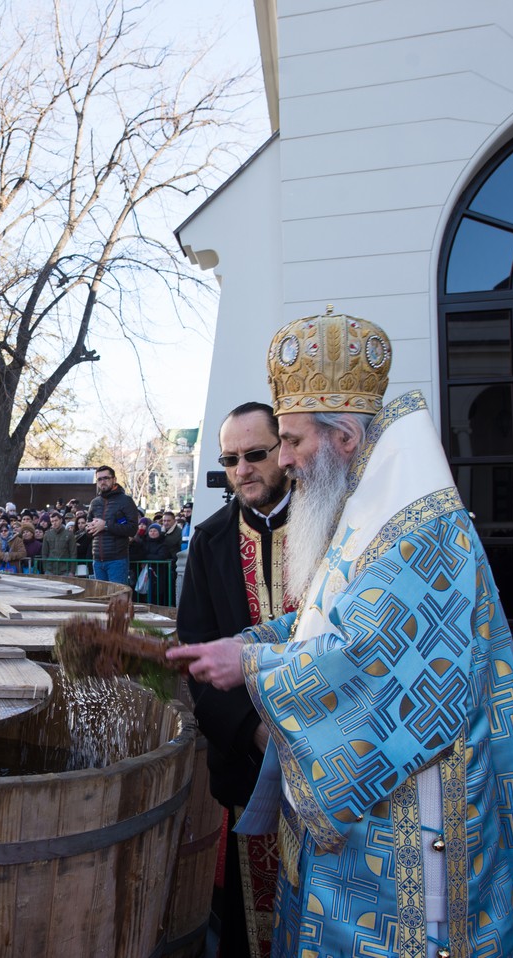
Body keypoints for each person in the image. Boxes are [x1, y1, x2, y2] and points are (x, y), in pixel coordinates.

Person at [167, 310, 513, 958]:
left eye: (289, 441)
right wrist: (249, 644)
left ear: (341, 437)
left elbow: (372, 659)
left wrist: (249, 669)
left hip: (419, 814)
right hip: (381, 795)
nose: (283, 460)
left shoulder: (414, 525)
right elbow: (326, 617)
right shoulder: (371, 503)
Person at [176, 401, 292, 958]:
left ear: (284, 451)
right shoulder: (211, 540)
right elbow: (195, 661)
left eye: (255, 454)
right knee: (254, 924)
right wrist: (254, 733)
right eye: (230, 459)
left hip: (335, 761)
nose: (242, 469)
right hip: (250, 767)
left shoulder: (335, 525)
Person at [86, 465, 139, 585]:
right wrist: (89, 528)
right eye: (99, 479)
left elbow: (132, 529)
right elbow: (87, 530)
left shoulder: (126, 501)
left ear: (114, 479)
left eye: (106, 478)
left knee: (117, 598)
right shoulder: (94, 503)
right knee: (102, 600)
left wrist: (106, 526)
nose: (102, 482)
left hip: (117, 560)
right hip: (97, 560)